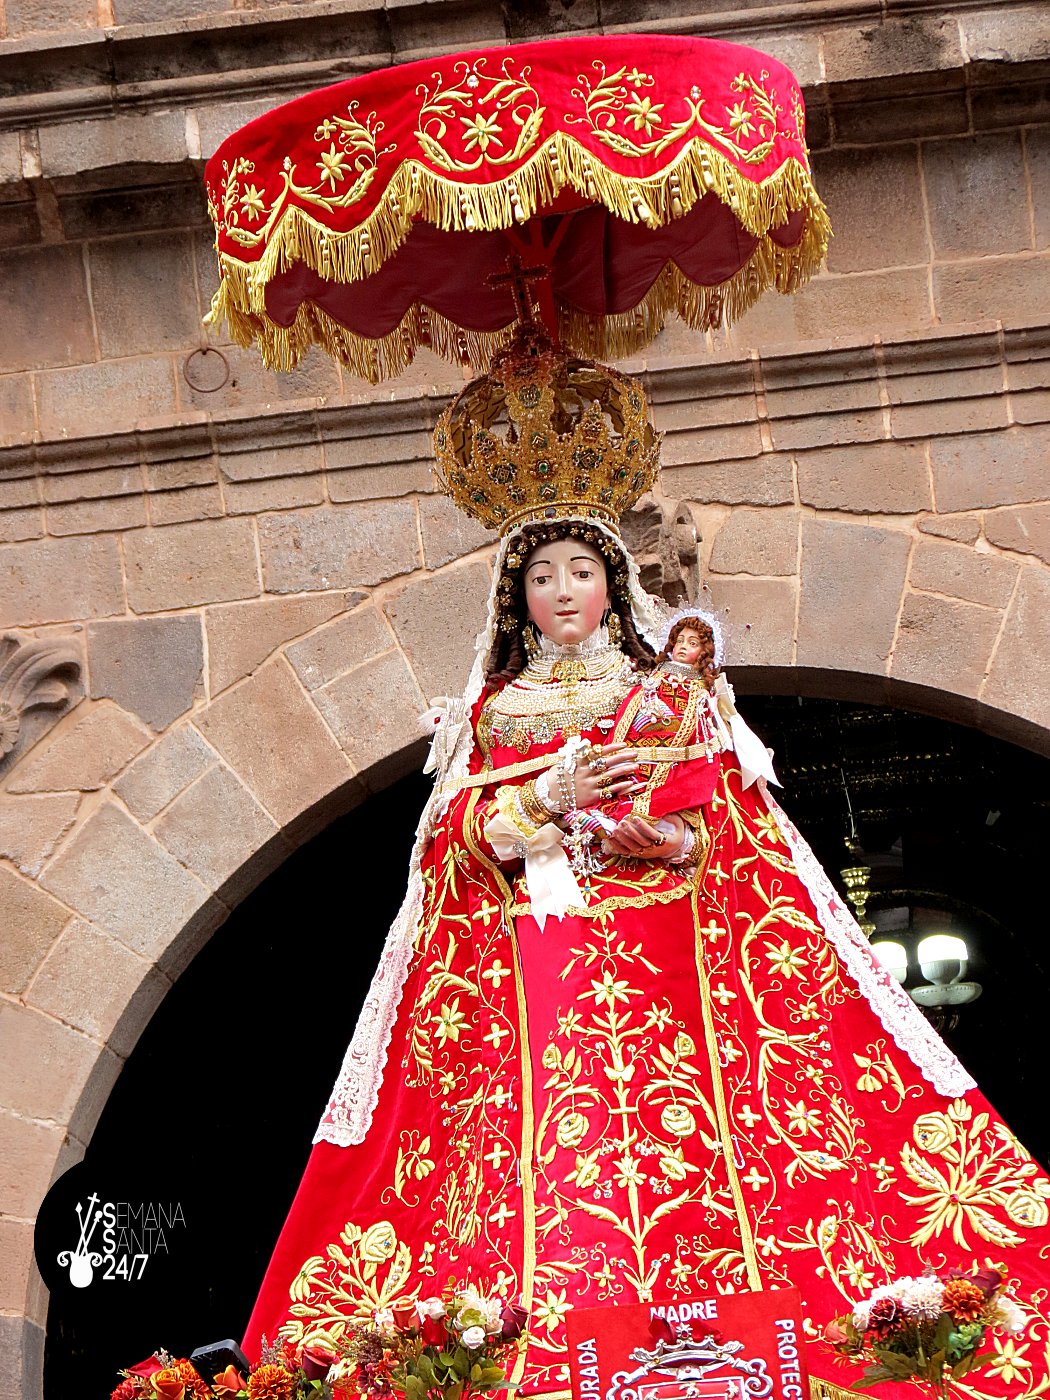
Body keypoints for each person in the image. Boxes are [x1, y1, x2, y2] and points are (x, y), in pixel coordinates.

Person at [242, 339, 1050, 1400]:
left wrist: (669, 842)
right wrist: (547, 799)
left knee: (715, 1161)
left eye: (580, 571)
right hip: (544, 972)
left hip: (677, 965)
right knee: (551, 1170)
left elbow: (736, 831)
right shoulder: (494, 714)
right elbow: (449, 849)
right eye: (541, 575)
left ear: (613, 582)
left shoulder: (665, 694)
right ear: (516, 596)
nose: (562, 590)